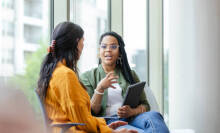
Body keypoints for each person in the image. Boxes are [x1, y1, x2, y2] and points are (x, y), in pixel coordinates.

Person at [37, 22, 137, 133]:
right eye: (83, 41)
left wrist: (104, 127)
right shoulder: (65, 75)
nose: (83, 46)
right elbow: (83, 122)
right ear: (76, 43)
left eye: (113, 46)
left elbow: (81, 119)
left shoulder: (56, 71)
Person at [80, 31, 170, 133]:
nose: (108, 50)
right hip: (106, 121)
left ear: (120, 52)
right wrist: (100, 88)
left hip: (132, 118)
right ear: (99, 51)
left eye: (113, 47)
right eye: (104, 46)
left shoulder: (130, 74)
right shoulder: (87, 77)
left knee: (154, 116)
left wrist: (132, 111)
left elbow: (145, 105)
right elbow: (92, 111)